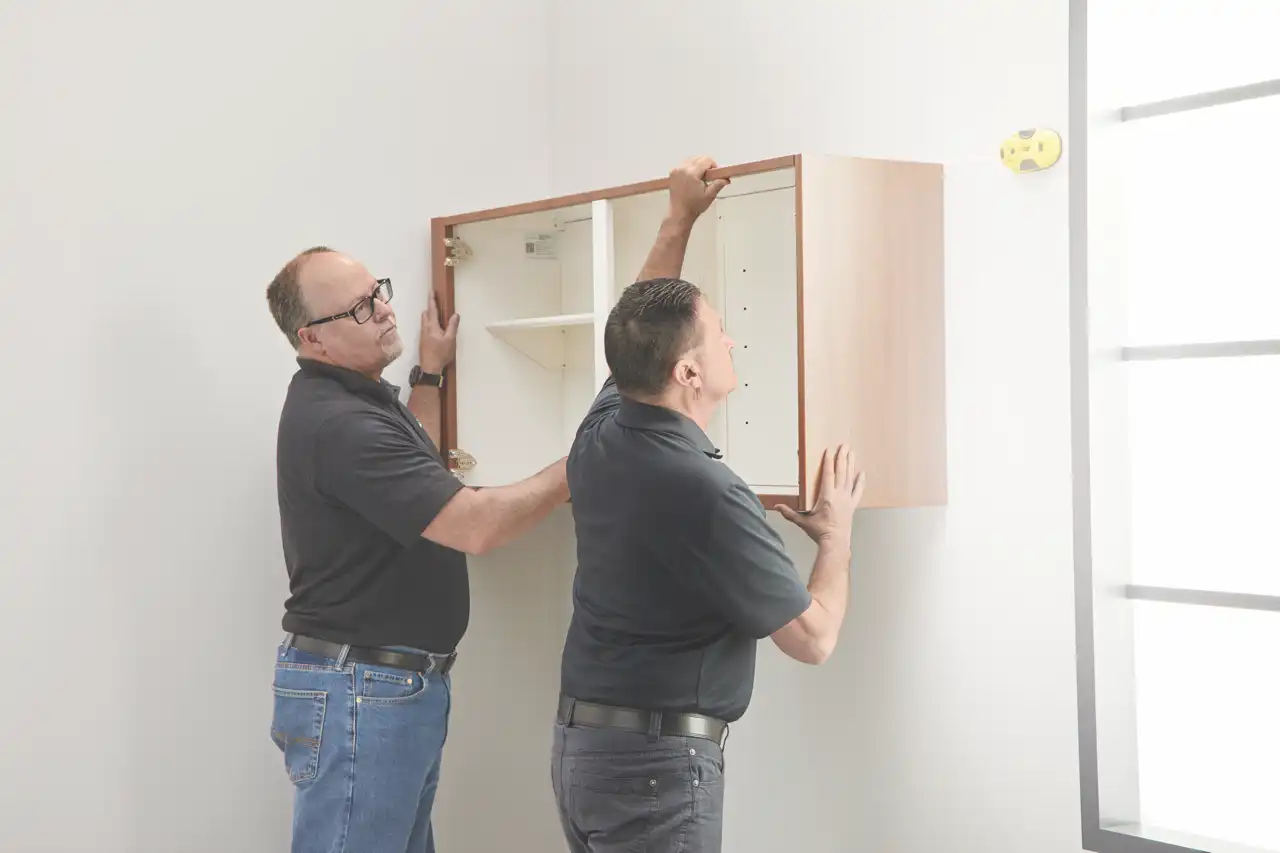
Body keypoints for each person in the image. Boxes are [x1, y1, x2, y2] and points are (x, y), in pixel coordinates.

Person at [549, 156, 866, 853]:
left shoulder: (605, 428)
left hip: (585, 752)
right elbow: (813, 639)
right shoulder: (704, 489)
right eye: (717, 331)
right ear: (687, 371)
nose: (730, 337)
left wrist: (680, 218)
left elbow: (636, 320)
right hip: (656, 769)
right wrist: (836, 536)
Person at [264, 247, 568, 853]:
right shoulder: (341, 424)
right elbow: (474, 526)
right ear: (312, 339)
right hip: (362, 690)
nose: (382, 310)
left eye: (377, 292)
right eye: (357, 308)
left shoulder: (357, 401)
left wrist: (428, 376)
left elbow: (410, 468)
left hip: (380, 686)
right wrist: (583, 461)